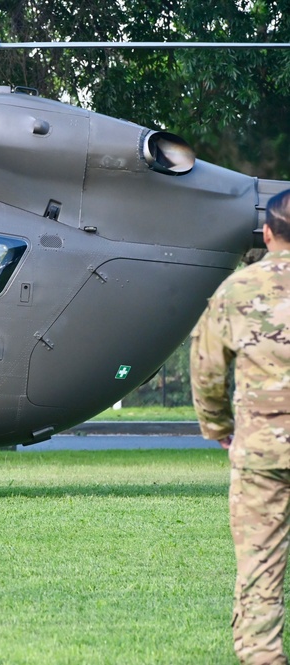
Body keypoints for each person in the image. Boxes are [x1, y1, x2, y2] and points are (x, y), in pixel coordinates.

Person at [190, 188, 290, 665]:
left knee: (260, 570)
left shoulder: (238, 289)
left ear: (267, 233)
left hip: (261, 455)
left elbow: (207, 368)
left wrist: (220, 429)